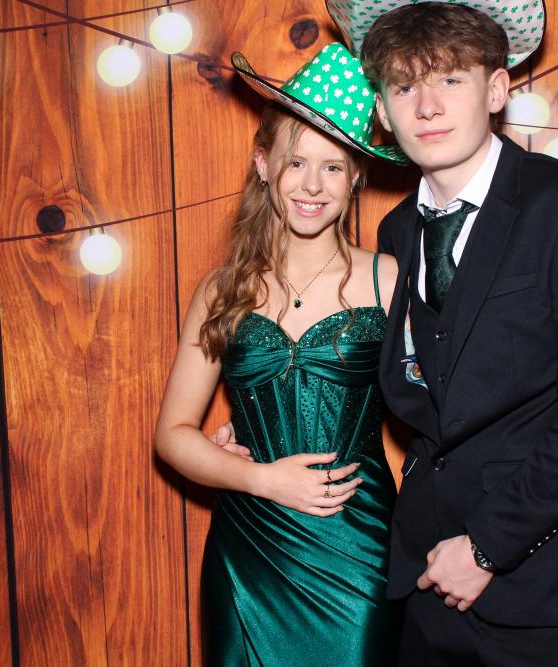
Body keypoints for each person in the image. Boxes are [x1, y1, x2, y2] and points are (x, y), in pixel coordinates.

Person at [335, 1, 558, 664]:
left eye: (451, 79)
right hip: (423, 587)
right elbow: (415, 385)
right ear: (383, 111)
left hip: (545, 592)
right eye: (405, 87)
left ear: (497, 89)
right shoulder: (396, 232)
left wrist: (484, 548)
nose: (428, 107)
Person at [154, 42, 407, 666]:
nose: (312, 185)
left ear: (356, 176)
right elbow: (172, 434)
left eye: (333, 166)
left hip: (357, 550)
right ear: (263, 164)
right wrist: (260, 478)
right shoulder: (223, 290)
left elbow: (445, 411)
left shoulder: (390, 278)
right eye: (296, 162)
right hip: (249, 550)